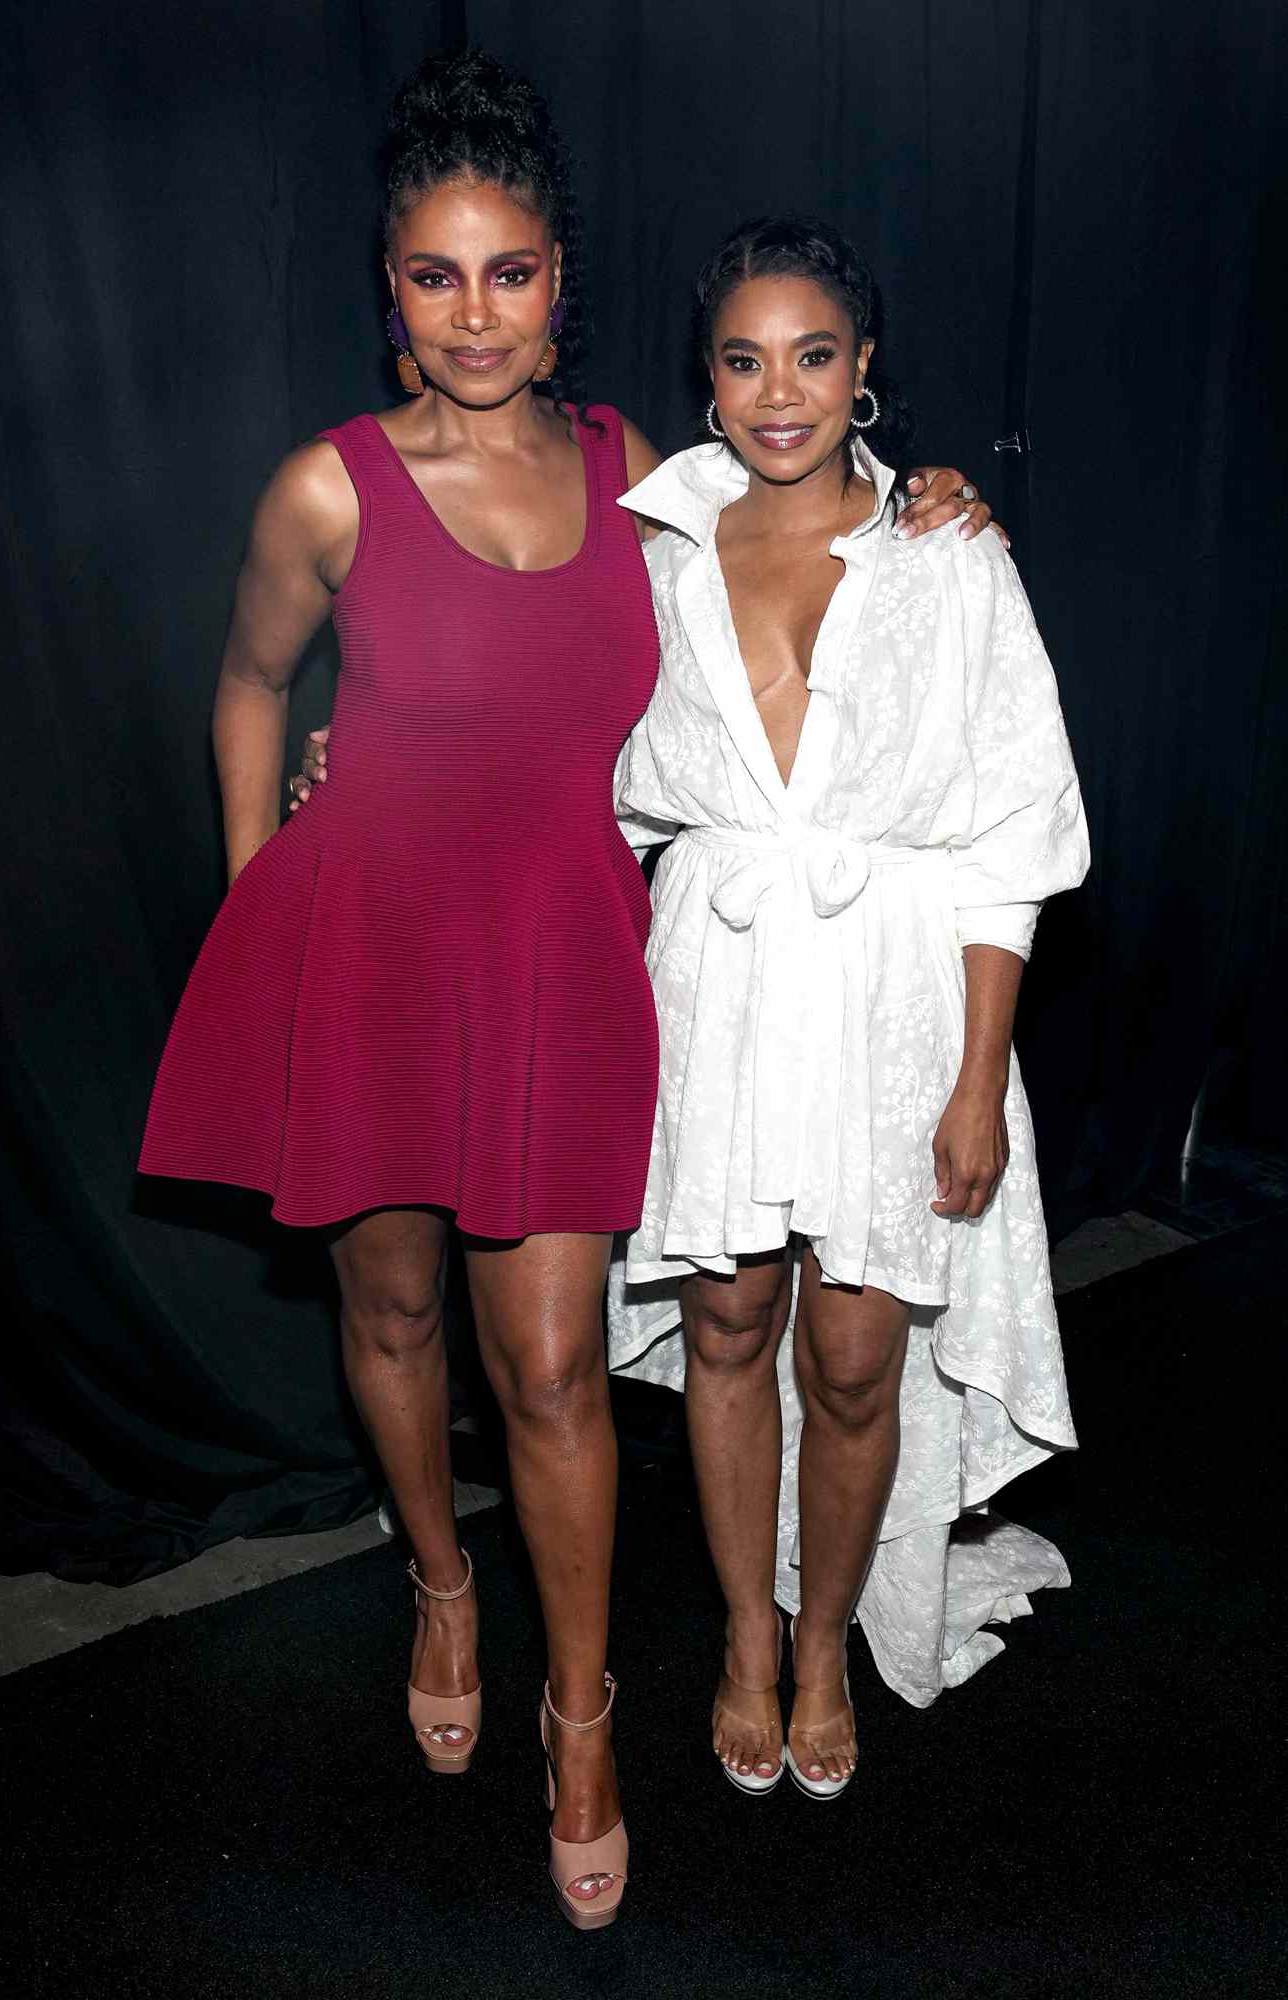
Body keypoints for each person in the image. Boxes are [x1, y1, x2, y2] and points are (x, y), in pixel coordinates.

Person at [175, 50, 991, 1928]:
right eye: (437, 276)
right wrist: (259, 910)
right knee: (390, 1323)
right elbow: (244, 682)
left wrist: (927, 490)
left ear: (564, 280)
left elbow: (818, 501)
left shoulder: (647, 466)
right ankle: (439, 1586)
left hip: (554, 961)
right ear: (390, 289)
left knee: (549, 1367)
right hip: (364, 954)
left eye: (512, 271)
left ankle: (587, 1714)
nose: (476, 313)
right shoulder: (331, 485)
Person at [603, 217, 1089, 1799]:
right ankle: (749, 1636)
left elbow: (1012, 831)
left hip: (892, 993)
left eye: (813, 354)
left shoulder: (947, 554)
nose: (778, 391)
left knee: (860, 1359)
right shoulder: (655, 549)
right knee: (730, 1323)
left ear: (864, 369)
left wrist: (976, 1079)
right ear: (708, 378)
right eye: (743, 360)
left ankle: (825, 1648)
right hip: (719, 990)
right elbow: (548, 749)